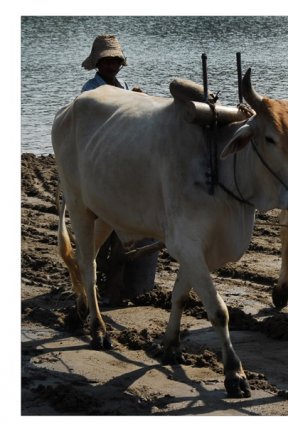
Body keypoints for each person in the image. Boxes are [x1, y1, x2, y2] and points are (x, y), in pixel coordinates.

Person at [80, 34, 155, 304]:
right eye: (106, 60)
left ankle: (128, 284)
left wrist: (137, 99)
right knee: (101, 226)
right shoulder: (91, 91)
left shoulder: (123, 85)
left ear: (120, 63)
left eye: (115, 60)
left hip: (125, 161)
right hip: (102, 161)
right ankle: (100, 283)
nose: (111, 65)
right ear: (98, 63)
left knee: (129, 226)